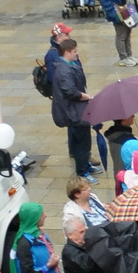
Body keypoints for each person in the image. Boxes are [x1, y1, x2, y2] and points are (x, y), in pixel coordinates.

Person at [49, 36, 93, 175]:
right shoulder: (64, 71)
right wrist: (88, 97)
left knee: (81, 141)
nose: (76, 53)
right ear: (67, 52)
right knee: (82, 143)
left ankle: (86, 165)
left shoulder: (69, 66)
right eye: (74, 51)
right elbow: (71, 92)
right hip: (74, 112)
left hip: (74, 110)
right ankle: (82, 171)